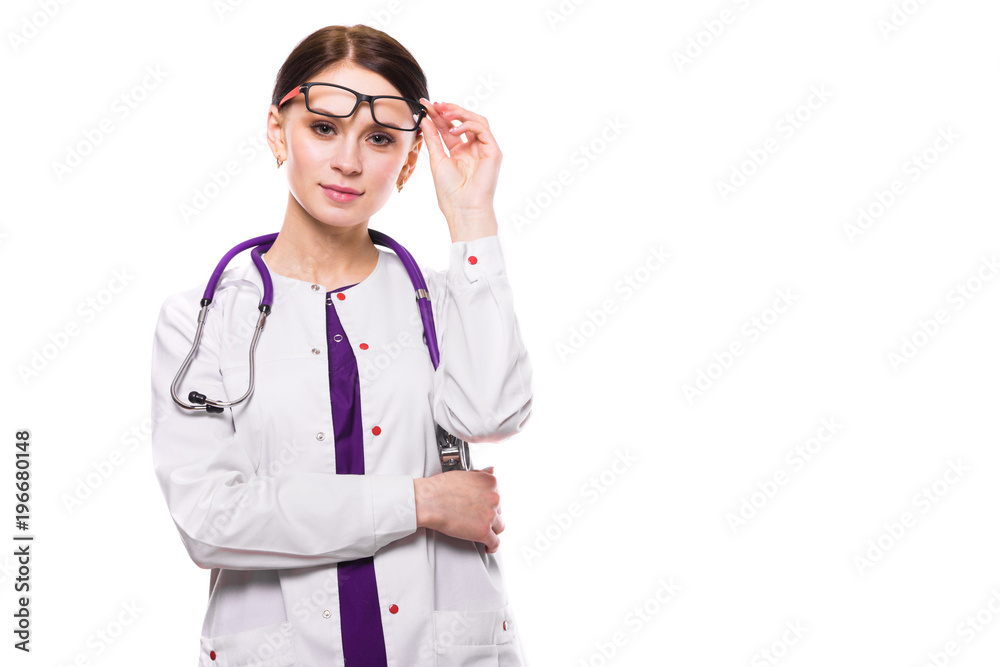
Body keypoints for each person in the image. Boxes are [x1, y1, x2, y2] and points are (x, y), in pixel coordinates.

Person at [149, 24, 533, 666]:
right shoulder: (202, 318)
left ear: (409, 160)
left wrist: (471, 219)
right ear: (279, 130)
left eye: (380, 139)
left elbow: (493, 414)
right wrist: (421, 502)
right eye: (323, 128)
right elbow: (210, 521)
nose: (349, 161)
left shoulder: (443, 300)